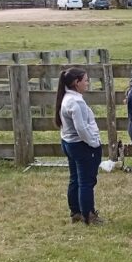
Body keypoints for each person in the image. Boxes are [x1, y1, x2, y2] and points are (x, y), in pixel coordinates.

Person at [55, 68, 104, 225]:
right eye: (85, 80)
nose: (87, 83)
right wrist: (93, 143)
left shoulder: (66, 98)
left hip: (68, 142)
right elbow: (81, 128)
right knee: (86, 181)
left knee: (75, 178)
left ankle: (75, 212)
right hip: (80, 145)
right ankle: (88, 214)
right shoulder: (76, 102)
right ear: (77, 83)